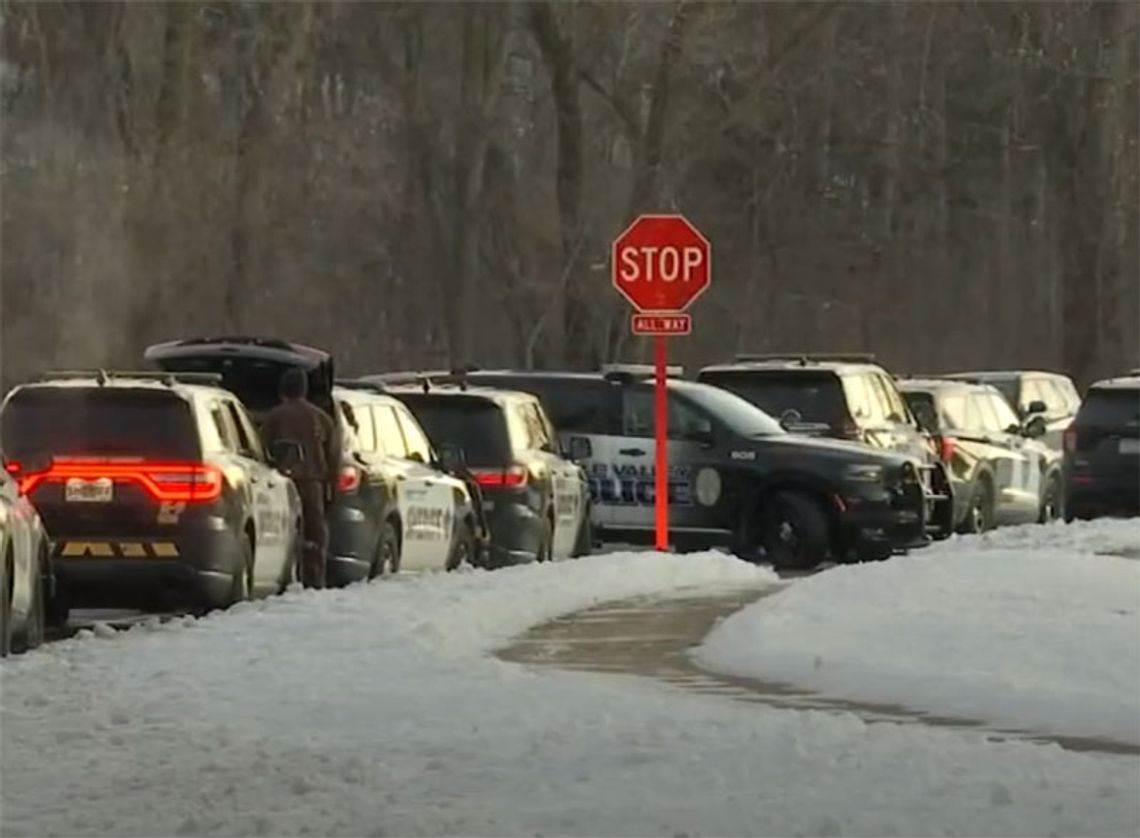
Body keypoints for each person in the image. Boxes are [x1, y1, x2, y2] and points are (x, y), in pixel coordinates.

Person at [260, 367, 339, 589]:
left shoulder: (273, 417)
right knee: (315, 535)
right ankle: (314, 581)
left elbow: (262, 449)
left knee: (284, 531)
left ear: (282, 391)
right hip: (314, 483)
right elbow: (334, 456)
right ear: (304, 390)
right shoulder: (322, 418)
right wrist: (332, 488)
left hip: (282, 484)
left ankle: (287, 576)